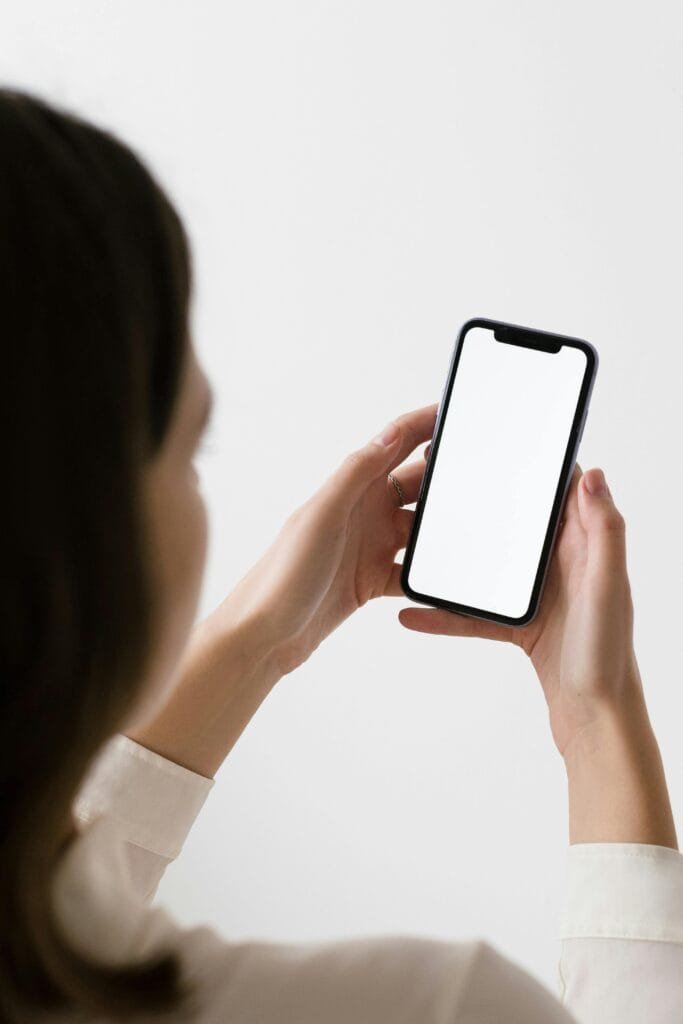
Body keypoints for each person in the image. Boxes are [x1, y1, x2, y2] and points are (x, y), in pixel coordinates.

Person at [1, 86, 681, 1024]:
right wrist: (596, 716)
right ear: (79, 529)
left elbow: (59, 909)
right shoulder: (436, 1008)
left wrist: (260, 641)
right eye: (189, 452)